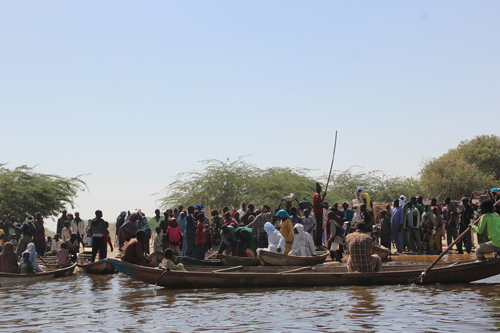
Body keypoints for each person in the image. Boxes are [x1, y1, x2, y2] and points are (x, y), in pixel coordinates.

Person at [313, 182, 324, 246]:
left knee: (320, 228)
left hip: (319, 212)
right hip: (318, 212)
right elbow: (317, 204)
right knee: (319, 228)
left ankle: (319, 242)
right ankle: (318, 243)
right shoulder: (317, 195)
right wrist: (323, 206)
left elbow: (320, 202)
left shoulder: (318, 195)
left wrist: (323, 196)